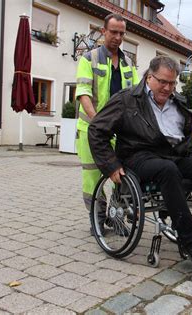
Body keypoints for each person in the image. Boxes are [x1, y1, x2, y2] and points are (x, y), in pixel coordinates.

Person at [88, 56, 192, 267]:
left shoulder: (178, 102)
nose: (167, 87)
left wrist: (191, 159)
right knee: (167, 169)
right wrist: (110, 165)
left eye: (172, 83)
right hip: (138, 156)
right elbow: (97, 130)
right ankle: (190, 240)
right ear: (149, 77)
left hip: (172, 155)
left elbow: (188, 137)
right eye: (162, 82)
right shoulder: (127, 99)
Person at [74, 14, 139, 226]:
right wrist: (98, 124)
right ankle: (97, 219)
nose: (118, 37)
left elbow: (137, 95)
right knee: (93, 179)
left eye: (122, 33)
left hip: (119, 131)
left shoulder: (129, 63)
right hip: (91, 129)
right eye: (113, 32)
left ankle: (116, 215)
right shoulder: (89, 58)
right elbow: (84, 93)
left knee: (122, 174)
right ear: (104, 32)